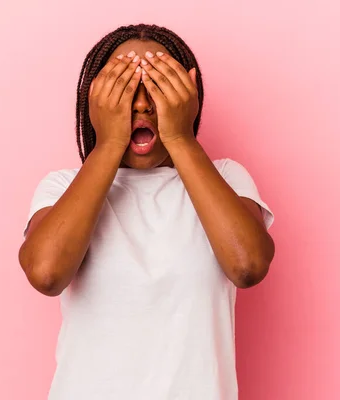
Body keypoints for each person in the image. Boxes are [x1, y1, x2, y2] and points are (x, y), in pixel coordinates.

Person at [19, 23, 275, 400]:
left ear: (188, 98)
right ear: (94, 101)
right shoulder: (62, 188)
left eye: (158, 87)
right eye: (123, 88)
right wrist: (108, 143)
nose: (140, 103)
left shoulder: (226, 180)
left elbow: (248, 265)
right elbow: (45, 273)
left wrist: (179, 137)